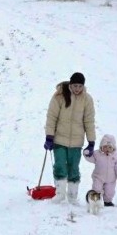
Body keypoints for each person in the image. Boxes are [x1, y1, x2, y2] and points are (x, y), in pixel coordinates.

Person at [44, 72, 96, 205]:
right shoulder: (60, 96)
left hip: (76, 142)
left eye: (80, 86)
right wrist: (49, 137)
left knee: (74, 168)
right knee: (60, 165)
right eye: (75, 86)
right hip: (59, 139)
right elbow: (51, 117)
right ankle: (60, 193)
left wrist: (91, 142)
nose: (77, 89)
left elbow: (89, 121)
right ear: (70, 85)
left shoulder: (87, 99)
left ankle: (72, 195)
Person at [83, 133, 117, 207]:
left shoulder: (116, 157)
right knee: (96, 189)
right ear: (101, 146)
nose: (107, 149)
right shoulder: (97, 154)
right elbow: (90, 158)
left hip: (111, 179)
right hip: (98, 177)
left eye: (110, 147)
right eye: (105, 147)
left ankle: (107, 201)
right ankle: (95, 200)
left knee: (110, 192)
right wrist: (86, 154)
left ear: (113, 148)